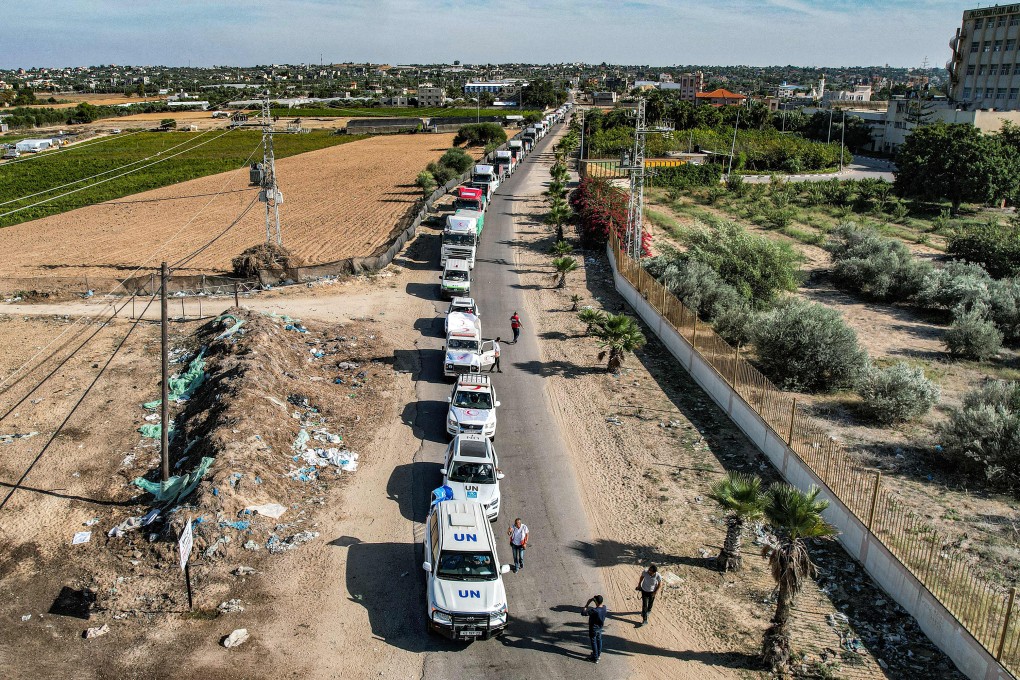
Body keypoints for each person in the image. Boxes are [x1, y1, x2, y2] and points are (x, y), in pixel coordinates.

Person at [582, 595, 608, 663]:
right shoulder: (604, 608)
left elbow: (583, 613)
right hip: (600, 627)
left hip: (593, 628)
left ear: (596, 602)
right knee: (599, 640)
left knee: (593, 642)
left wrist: (587, 605)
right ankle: (598, 655)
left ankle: (595, 657)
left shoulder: (594, 611)